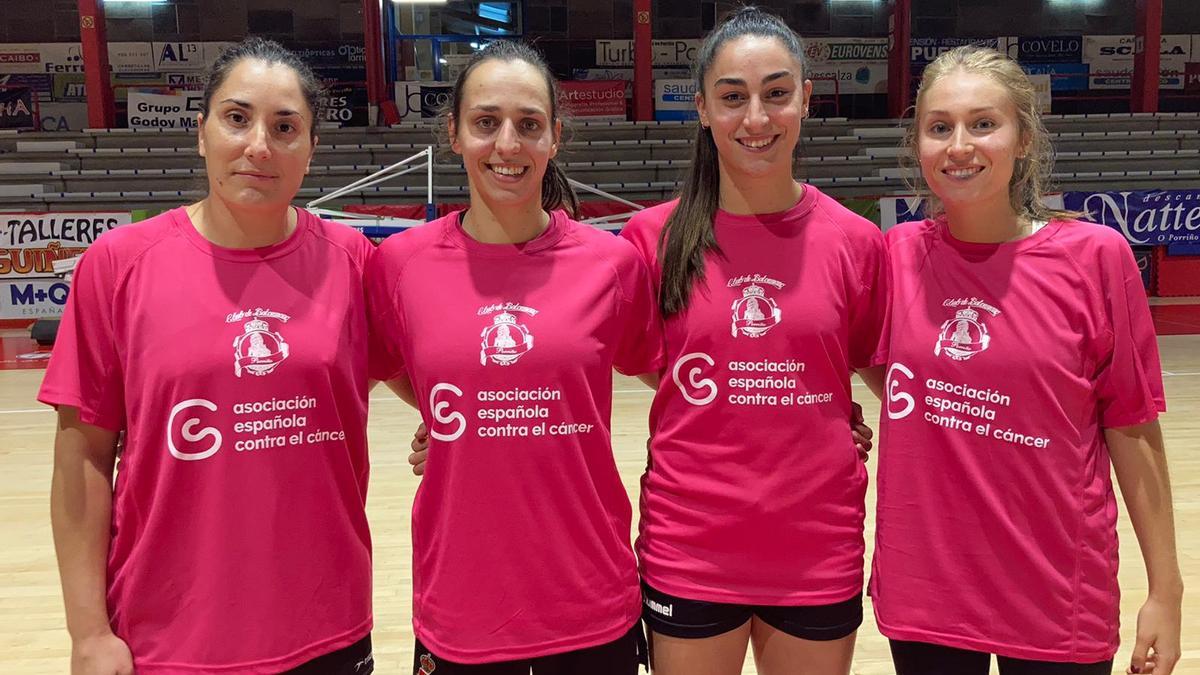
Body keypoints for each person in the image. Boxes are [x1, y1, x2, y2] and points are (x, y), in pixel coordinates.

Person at [42, 38, 378, 674]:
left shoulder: (355, 263)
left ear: (310, 149)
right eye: (236, 117)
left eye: (285, 127)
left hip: (329, 626)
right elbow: (81, 457)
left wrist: (440, 425)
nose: (258, 145)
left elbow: (434, 371)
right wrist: (88, 632)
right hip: (170, 638)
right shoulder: (118, 265)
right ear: (202, 134)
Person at [864, 45, 1182, 675]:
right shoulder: (894, 255)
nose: (960, 145)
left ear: (1025, 138)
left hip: (1057, 587)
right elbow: (866, 359)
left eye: (984, 123)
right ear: (918, 144)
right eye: (939, 127)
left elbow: (1134, 429)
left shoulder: (1096, 257)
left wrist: (1166, 591)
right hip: (927, 585)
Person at [364, 40, 662, 674]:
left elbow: (664, 371)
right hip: (463, 600)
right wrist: (450, 415)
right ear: (454, 134)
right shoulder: (399, 265)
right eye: (486, 122)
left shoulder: (611, 265)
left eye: (529, 125)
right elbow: (387, 361)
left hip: (588, 595)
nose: (507, 144)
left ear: (555, 138)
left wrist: (811, 420)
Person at [617, 7, 888, 674]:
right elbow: (663, 365)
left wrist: (814, 409)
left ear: (805, 99)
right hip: (690, 543)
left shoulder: (856, 241)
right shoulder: (649, 239)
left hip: (817, 545)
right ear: (703, 109)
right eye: (734, 97)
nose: (756, 118)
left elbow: (882, 377)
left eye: (776, 92)